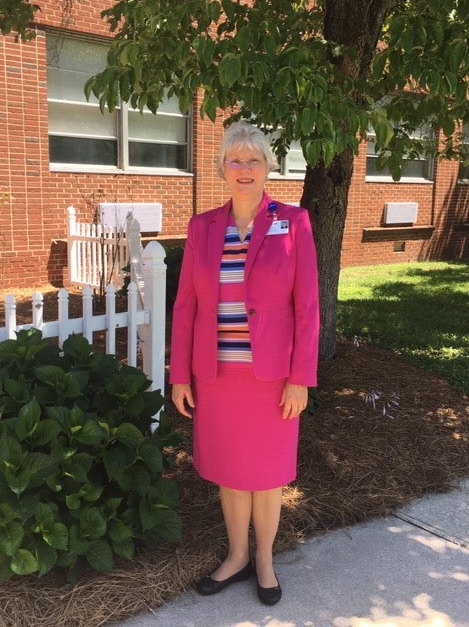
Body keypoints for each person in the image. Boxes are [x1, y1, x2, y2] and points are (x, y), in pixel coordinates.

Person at [170, 121, 319, 606]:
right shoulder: (202, 227)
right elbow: (186, 305)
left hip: (272, 380)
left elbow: (308, 307)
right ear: (222, 169)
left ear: (268, 167)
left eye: (253, 160)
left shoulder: (292, 223)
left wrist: (301, 378)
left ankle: (264, 562)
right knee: (231, 474)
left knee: (268, 476)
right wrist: (179, 375)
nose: (244, 169)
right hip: (217, 378)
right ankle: (236, 555)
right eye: (235, 160)